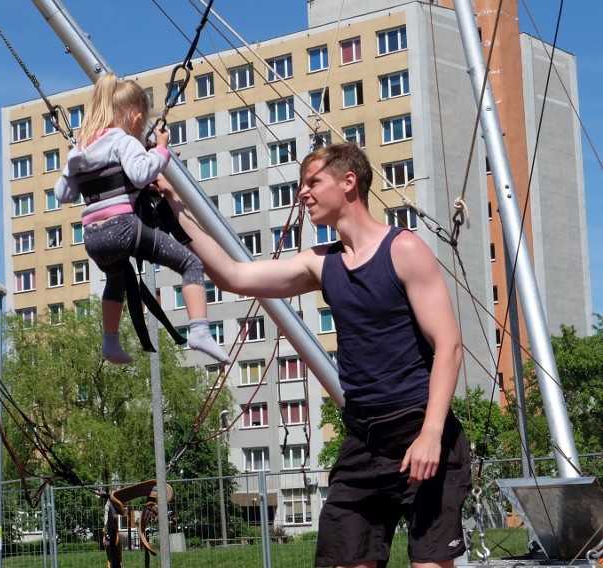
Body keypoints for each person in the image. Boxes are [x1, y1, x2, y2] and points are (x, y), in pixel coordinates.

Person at [157, 143, 471, 568]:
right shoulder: (322, 264)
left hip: (421, 431)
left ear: (348, 182)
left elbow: (449, 346)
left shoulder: (405, 250)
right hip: (364, 442)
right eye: (301, 184)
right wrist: (172, 204)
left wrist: (432, 433)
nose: (302, 193)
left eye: (312, 182)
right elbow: (234, 276)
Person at [55, 73, 230, 366]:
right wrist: (160, 149)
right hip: (123, 229)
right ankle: (199, 330)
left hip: (93, 238)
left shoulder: (80, 150)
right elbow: (140, 173)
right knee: (191, 264)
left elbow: (63, 194)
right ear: (137, 118)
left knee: (116, 281)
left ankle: (110, 344)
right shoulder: (123, 141)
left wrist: (73, 163)